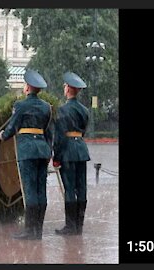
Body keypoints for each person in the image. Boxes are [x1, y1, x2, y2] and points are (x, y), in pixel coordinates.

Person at [0, 69, 53, 240]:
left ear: (28, 87)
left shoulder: (20, 105)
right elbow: (48, 131)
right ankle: (39, 230)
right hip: (42, 150)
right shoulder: (46, 107)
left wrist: (2, 135)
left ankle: (30, 231)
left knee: (29, 190)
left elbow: (12, 127)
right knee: (40, 189)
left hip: (27, 150)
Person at [53, 72, 91, 236]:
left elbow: (60, 135)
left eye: (64, 86)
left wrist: (56, 156)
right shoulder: (84, 110)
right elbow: (83, 130)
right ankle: (79, 226)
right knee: (81, 188)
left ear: (68, 88)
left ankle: (70, 226)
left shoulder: (62, 110)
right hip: (81, 150)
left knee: (69, 189)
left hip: (68, 151)